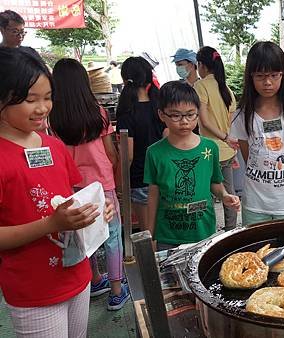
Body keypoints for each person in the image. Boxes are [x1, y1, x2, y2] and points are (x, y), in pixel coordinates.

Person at [0, 47, 114, 337]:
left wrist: (98, 210)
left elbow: (71, 196)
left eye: (48, 97)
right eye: (30, 99)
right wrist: (51, 224)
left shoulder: (54, 146)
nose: (43, 108)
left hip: (78, 275)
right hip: (34, 289)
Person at [49, 58, 130, 311]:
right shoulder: (99, 112)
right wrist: (113, 178)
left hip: (71, 186)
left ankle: (95, 280)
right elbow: (112, 154)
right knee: (112, 235)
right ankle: (117, 291)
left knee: (86, 234)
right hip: (101, 184)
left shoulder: (53, 117)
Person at [144, 81, 240, 251]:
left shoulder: (209, 148)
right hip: (168, 235)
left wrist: (224, 195)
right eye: (175, 115)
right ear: (161, 114)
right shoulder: (154, 152)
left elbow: (215, 182)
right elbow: (153, 194)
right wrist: (150, 234)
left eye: (191, 114)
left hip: (203, 232)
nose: (184, 121)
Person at [229, 41, 284, 226]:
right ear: (251, 77)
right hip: (255, 204)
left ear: (283, 75)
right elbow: (248, 155)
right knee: (254, 253)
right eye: (260, 76)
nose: (267, 82)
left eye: (274, 75)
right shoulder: (242, 116)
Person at [116, 56, 166, 233]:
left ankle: (155, 262)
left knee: (148, 233)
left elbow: (128, 156)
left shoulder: (127, 113)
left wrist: (119, 184)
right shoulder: (161, 107)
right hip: (164, 175)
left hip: (140, 178)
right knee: (165, 230)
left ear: (125, 80)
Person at [194, 46, 239, 230]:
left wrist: (224, 137)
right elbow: (229, 122)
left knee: (205, 194)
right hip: (227, 152)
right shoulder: (226, 89)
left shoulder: (200, 86)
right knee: (228, 193)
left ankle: (209, 233)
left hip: (207, 151)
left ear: (202, 65)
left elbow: (203, 122)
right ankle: (231, 232)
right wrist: (227, 139)